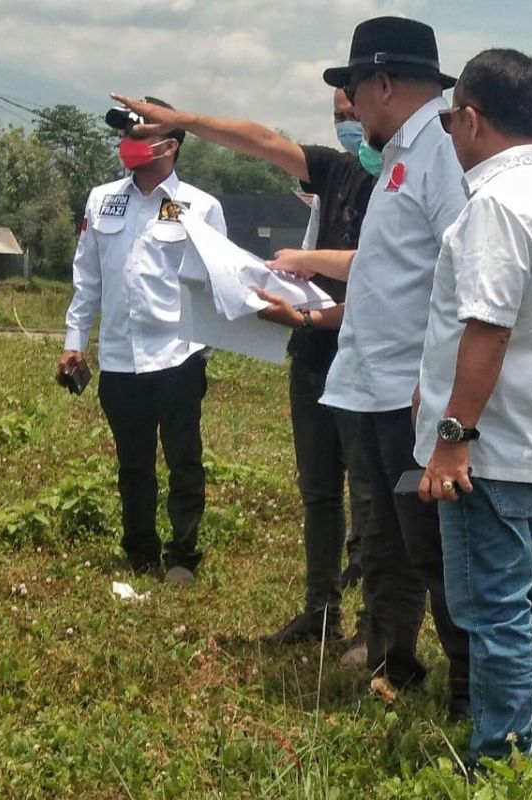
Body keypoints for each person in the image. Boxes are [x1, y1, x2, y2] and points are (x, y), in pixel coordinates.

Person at [110, 89, 378, 661]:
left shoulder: (409, 182)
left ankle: (373, 625)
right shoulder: (337, 171)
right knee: (319, 491)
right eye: (339, 114)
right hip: (312, 350)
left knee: (371, 497)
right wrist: (184, 119)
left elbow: (392, 275)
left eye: (355, 111)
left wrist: (305, 281)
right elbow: (261, 141)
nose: (349, 123)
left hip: (367, 352)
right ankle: (320, 610)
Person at [256, 16, 471, 720]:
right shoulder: (400, 158)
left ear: (383, 83)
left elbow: (460, 277)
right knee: (383, 542)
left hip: (408, 395)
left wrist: (432, 386)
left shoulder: (438, 158)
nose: (350, 106)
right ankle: (393, 663)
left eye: (353, 89)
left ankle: (471, 689)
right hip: (369, 387)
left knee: (429, 548)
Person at [414, 49, 532, 764]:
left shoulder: (495, 204)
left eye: (448, 118)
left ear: (470, 117)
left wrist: (453, 434)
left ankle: (501, 754)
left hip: (490, 447)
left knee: (493, 608)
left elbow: (488, 328)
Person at [58, 98, 226, 586]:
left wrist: (201, 353)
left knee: (182, 461)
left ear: (169, 145)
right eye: (124, 136)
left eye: (138, 135)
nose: (127, 145)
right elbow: (87, 277)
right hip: (119, 357)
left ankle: (182, 555)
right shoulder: (102, 200)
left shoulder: (201, 207)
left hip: (178, 355)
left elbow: (216, 285)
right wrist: (75, 341)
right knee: (132, 463)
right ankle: (140, 549)